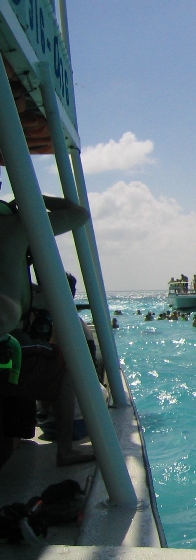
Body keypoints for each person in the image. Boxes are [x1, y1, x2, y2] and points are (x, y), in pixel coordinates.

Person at [0, 193, 94, 466]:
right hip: (4, 352)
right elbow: (79, 214)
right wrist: (35, 198)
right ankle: (66, 450)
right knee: (64, 363)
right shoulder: (18, 224)